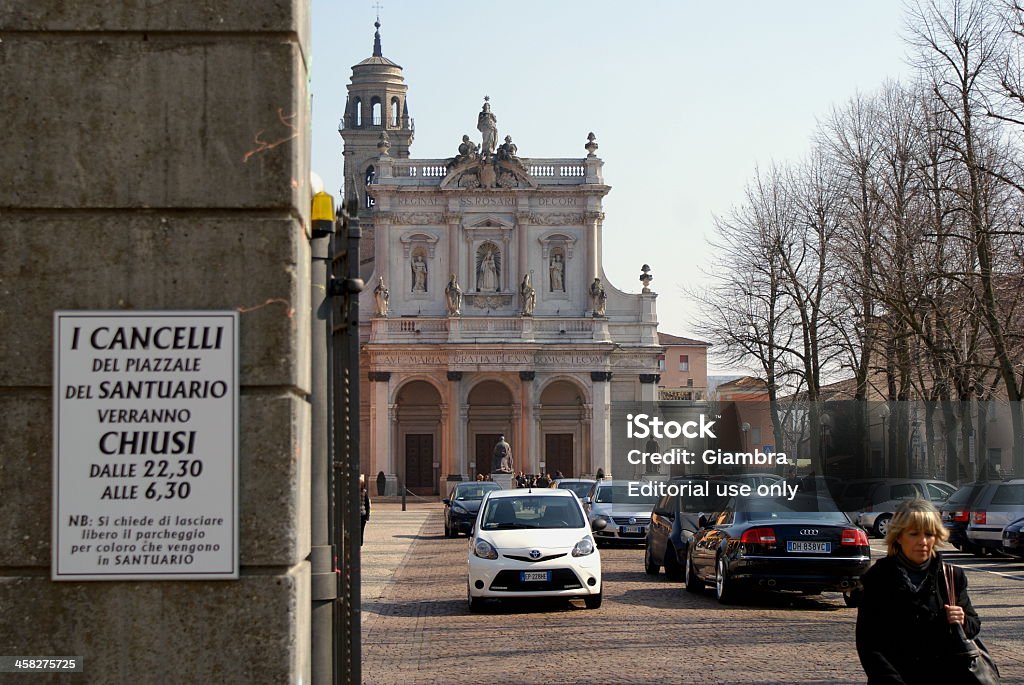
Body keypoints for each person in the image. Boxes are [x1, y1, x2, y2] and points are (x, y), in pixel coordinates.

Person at [856, 499, 981, 684]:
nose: (923, 542)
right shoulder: (878, 578)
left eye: (929, 534)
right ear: (899, 536)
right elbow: (869, 644)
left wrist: (962, 620)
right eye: (914, 534)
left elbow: (973, 626)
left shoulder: (951, 577)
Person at [359, 474, 371, 546]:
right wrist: (367, 516)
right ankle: (360, 542)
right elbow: (367, 505)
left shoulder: (354, 493)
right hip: (363, 514)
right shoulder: (365, 493)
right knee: (361, 530)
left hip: (356, 514)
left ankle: (358, 542)